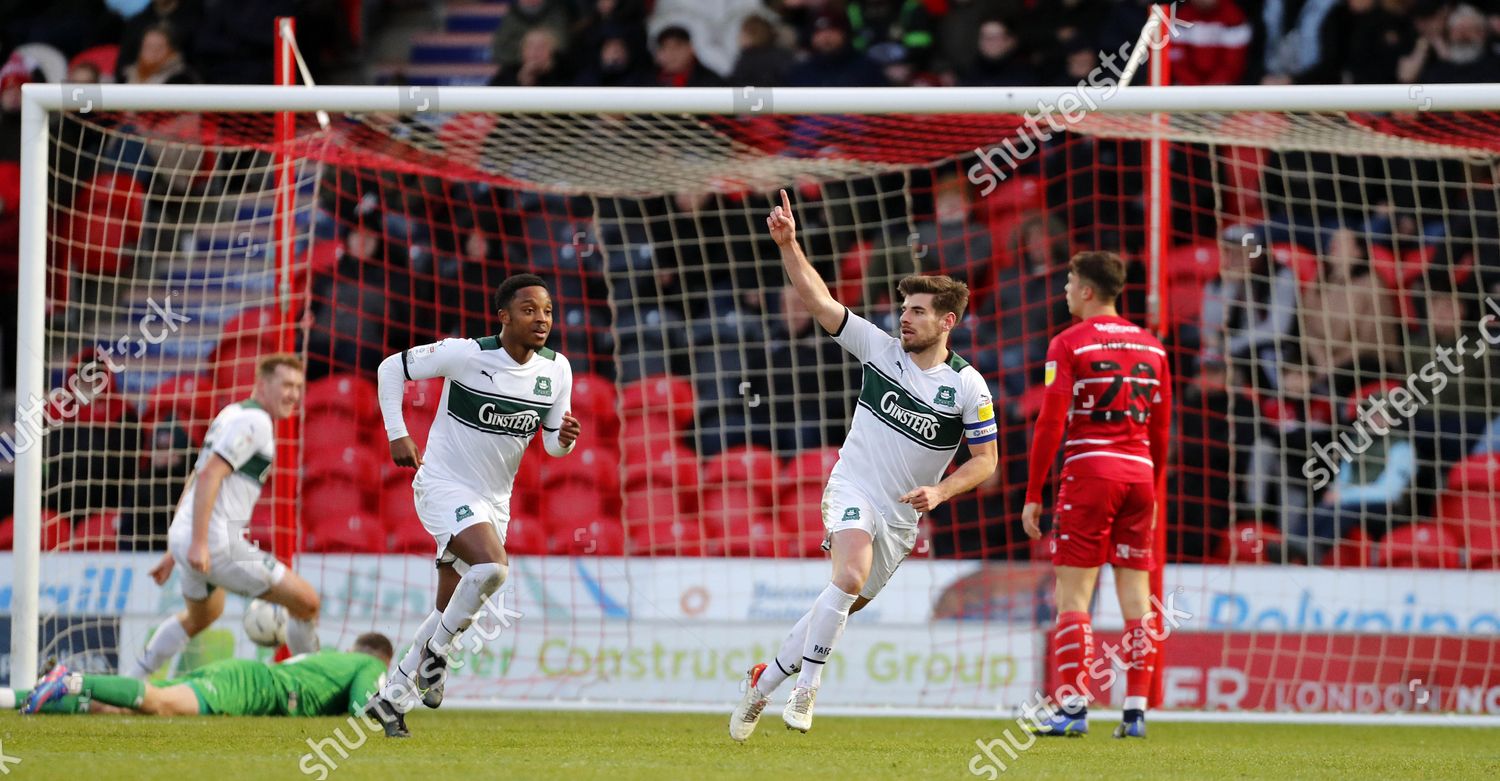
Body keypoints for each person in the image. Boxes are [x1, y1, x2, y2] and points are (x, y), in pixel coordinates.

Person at [729, 191, 998, 740]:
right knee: (847, 575)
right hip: (853, 485)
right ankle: (807, 690)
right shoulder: (880, 350)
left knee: (842, 602)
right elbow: (820, 301)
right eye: (903, 309)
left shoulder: (967, 385)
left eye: (917, 312)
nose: (905, 318)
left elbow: (986, 461)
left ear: (946, 321)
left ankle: (763, 682)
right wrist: (789, 245)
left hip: (901, 518)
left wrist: (942, 493)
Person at [364, 274, 581, 738]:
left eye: (546, 310)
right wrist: (396, 432)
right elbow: (389, 368)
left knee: (450, 607)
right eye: (528, 309)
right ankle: (437, 658)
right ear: (503, 316)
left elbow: (550, 443)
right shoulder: (466, 354)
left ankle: (391, 700)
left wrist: (562, 440)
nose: (540, 318)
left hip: (494, 501)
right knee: (493, 569)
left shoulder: (557, 369)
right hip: (444, 485)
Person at [1021, 251, 1172, 739]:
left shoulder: (1069, 343)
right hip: (1140, 477)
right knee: (1137, 599)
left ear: (1087, 290)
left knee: (1074, 596)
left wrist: (1034, 492)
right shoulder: (1154, 347)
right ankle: (1135, 712)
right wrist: (1156, 488)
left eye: (1068, 281)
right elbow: (1163, 429)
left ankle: (1071, 708)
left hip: (1090, 472)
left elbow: (1050, 422)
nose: (1064, 290)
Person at [128, 355, 323, 678]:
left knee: (203, 615)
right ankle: (315, 684)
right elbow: (208, 477)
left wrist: (175, 549)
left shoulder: (230, 413)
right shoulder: (256, 422)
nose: (293, 395)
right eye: (286, 385)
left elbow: (196, 474)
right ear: (262, 385)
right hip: (218, 543)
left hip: (187, 535)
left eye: (298, 387)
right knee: (307, 603)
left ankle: (133, 680)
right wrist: (200, 544)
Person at [15, 634, 393, 717]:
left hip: (242, 674)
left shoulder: (333, 657)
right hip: (249, 687)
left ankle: (20, 699)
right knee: (162, 705)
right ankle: (70, 679)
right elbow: (368, 705)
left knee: (126, 707)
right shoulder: (370, 665)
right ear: (381, 658)